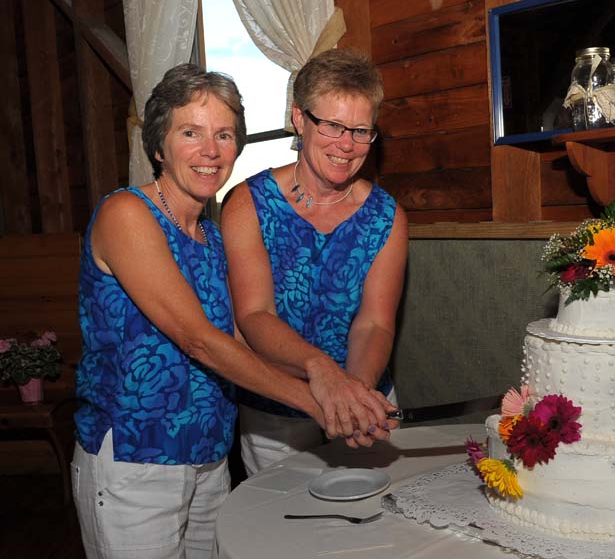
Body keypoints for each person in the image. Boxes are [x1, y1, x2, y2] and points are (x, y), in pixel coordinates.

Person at [71, 63, 397, 559]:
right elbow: (198, 339)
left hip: (210, 458)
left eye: (223, 134)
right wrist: (318, 399)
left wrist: (347, 394)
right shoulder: (127, 214)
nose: (210, 150)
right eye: (191, 133)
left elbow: (244, 337)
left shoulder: (211, 237)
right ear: (159, 144)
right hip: (139, 457)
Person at [221, 48, 409, 477]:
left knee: (376, 532)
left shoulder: (387, 216)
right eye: (333, 126)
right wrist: (323, 372)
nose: (347, 144)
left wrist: (353, 396)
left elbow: (375, 323)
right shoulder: (248, 204)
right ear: (299, 120)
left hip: (364, 394)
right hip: (275, 410)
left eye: (361, 131)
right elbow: (254, 314)